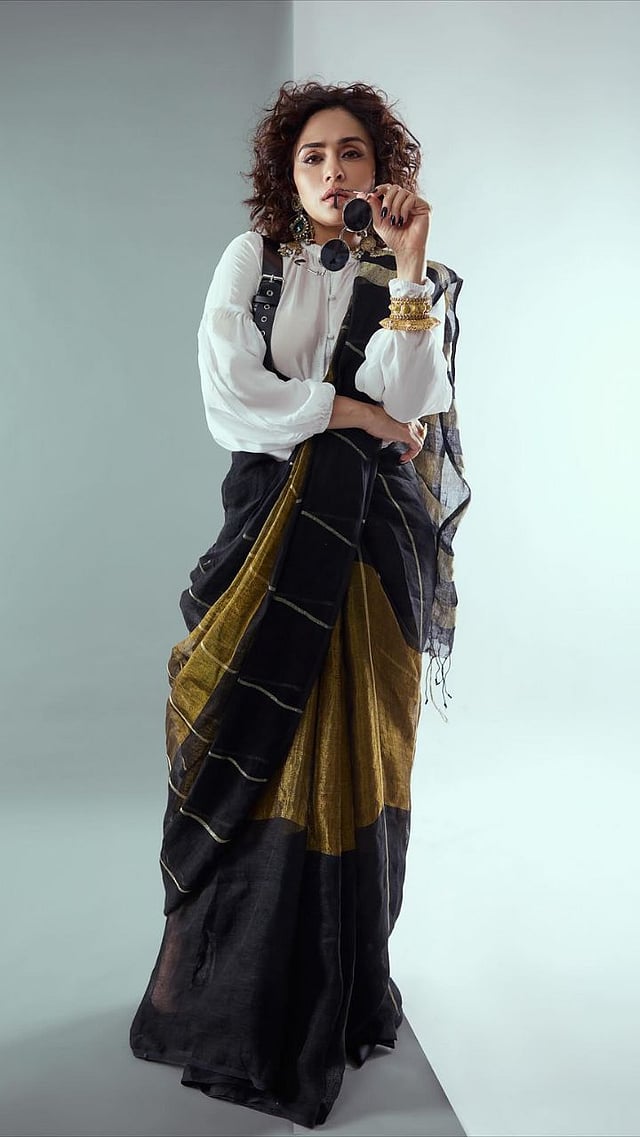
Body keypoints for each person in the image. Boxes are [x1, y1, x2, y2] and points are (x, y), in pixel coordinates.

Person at [129, 80, 471, 1128]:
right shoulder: (255, 261)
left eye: (351, 154)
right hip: (265, 540)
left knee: (356, 753)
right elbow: (232, 398)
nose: (332, 171)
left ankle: (337, 996)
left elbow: (414, 401)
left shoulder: (407, 273)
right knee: (239, 742)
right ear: (288, 172)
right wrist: (352, 414)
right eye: (313, 156)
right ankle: (219, 1001)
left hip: (365, 554)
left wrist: (407, 268)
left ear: (380, 170)